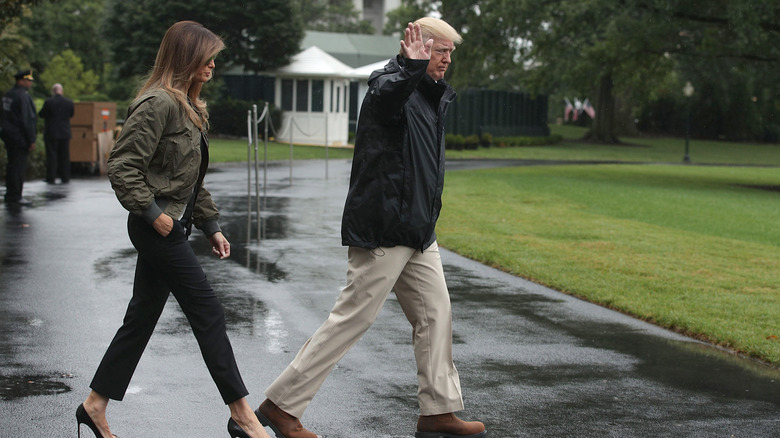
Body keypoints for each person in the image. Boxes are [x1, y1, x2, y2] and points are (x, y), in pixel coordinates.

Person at [253, 18, 487, 438]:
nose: (446, 59)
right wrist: (410, 67)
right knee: (351, 320)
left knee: (437, 315)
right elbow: (387, 95)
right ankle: (279, 406)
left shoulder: (432, 97)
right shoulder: (389, 83)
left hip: (418, 232)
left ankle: (437, 413)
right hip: (384, 229)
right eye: (439, 51)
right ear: (415, 47)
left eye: (450, 52)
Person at [76, 21, 270, 438]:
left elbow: (189, 180)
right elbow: (123, 166)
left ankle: (94, 404)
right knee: (207, 310)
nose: (214, 65)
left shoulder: (190, 107)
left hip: (173, 225)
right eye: (207, 57)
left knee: (141, 317)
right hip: (156, 229)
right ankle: (243, 415)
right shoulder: (157, 103)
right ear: (186, 58)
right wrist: (153, 214)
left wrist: (211, 226)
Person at [1, 69, 37, 205]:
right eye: (28, 80)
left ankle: (10, 193)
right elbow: (27, 120)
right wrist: (31, 139)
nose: (30, 83)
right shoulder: (23, 96)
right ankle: (16, 196)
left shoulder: (8, 95)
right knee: (18, 167)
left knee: (11, 166)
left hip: (8, 136)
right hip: (20, 138)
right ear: (21, 80)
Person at [38, 83, 74, 184]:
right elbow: (71, 114)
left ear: (53, 91)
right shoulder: (69, 102)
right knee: (64, 156)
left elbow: (41, 114)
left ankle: (51, 177)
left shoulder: (49, 102)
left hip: (51, 132)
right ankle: (65, 177)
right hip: (65, 132)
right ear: (61, 91)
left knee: (51, 156)